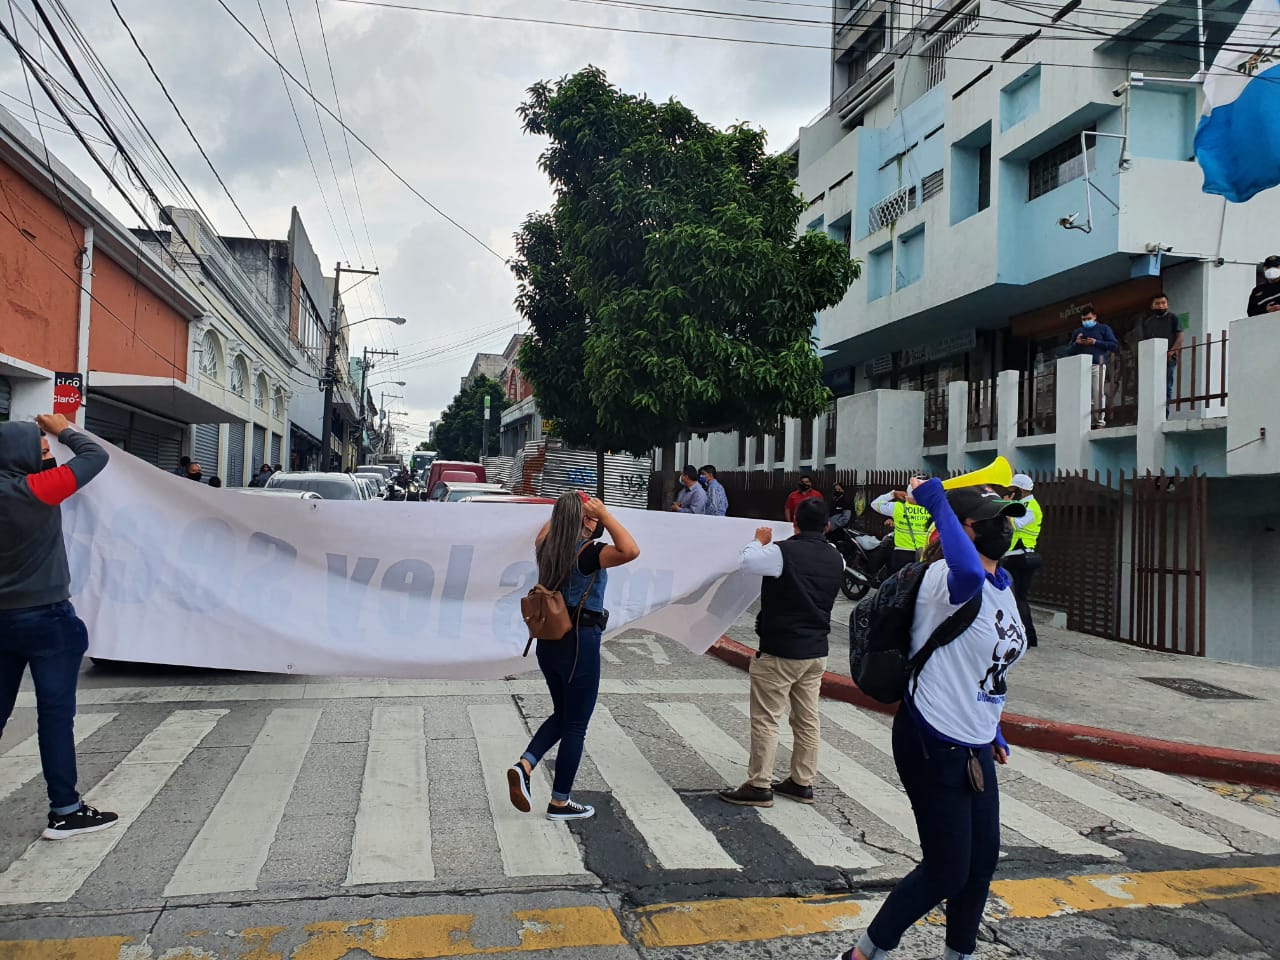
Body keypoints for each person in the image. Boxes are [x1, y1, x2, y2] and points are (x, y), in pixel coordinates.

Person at [835, 479, 1028, 960]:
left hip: (975, 740)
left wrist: (995, 726)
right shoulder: (948, 577)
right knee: (946, 868)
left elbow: (990, 665)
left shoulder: (1002, 586)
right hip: (932, 736)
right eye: (990, 519)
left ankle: (958, 954)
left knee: (980, 861)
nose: (1004, 525)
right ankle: (863, 955)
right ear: (965, 529)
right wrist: (935, 499)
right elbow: (963, 565)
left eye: (1006, 516)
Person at [0, 414, 118, 840]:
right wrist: (63, 427)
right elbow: (94, 455)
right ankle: (65, 811)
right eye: (42, 452)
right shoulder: (37, 492)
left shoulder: (26, 486)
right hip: (46, 619)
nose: (47, 458)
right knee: (55, 715)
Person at [507, 492, 640, 821]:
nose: (597, 522)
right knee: (576, 724)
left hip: (549, 642)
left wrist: (571, 510)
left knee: (564, 714)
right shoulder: (588, 553)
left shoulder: (546, 547)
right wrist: (605, 515)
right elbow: (630, 550)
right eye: (591, 517)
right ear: (585, 520)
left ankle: (524, 766)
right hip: (580, 643)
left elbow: (547, 530)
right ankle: (560, 802)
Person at [720, 498, 844, 807]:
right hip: (816, 651)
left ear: (795, 524)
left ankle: (759, 784)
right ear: (827, 526)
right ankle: (802, 782)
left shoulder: (781, 552)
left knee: (766, 718)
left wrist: (757, 541)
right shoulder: (836, 557)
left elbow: (747, 563)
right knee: (807, 719)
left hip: (781, 649)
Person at [1002, 474, 1043, 649]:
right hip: (1013, 556)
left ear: (1021, 490)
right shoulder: (1022, 504)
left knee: (1019, 597)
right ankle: (1020, 633)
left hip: (1022, 556)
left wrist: (1006, 507)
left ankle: (1028, 636)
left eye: (1013, 489)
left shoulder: (1032, 507)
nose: (1011, 492)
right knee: (1012, 596)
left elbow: (1017, 524)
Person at [1066, 305, 1119, 428]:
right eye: (1084, 319)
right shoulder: (1077, 332)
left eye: (1088, 318)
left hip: (1097, 364)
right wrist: (1077, 344)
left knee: (1097, 392)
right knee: (1083, 394)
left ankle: (1099, 421)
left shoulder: (1103, 329)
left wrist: (1095, 342)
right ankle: (1087, 421)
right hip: (1081, 366)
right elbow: (1068, 351)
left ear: (1095, 317)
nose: (1086, 321)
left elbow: (1113, 345)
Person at [871, 488, 931, 574]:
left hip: (901, 554)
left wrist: (893, 494)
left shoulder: (898, 507)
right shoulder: (932, 509)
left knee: (899, 583)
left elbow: (875, 504)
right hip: (923, 554)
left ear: (907, 494)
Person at [1141, 292, 1184, 402]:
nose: (1161, 306)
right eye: (1157, 303)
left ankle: (1165, 413)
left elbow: (1180, 337)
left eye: (1163, 303)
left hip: (1169, 359)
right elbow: (1146, 341)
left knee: (1166, 386)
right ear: (1152, 306)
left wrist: (1172, 351)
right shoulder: (1148, 322)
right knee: (1152, 387)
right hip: (1153, 359)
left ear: (1167, 304)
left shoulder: (1173, 318)